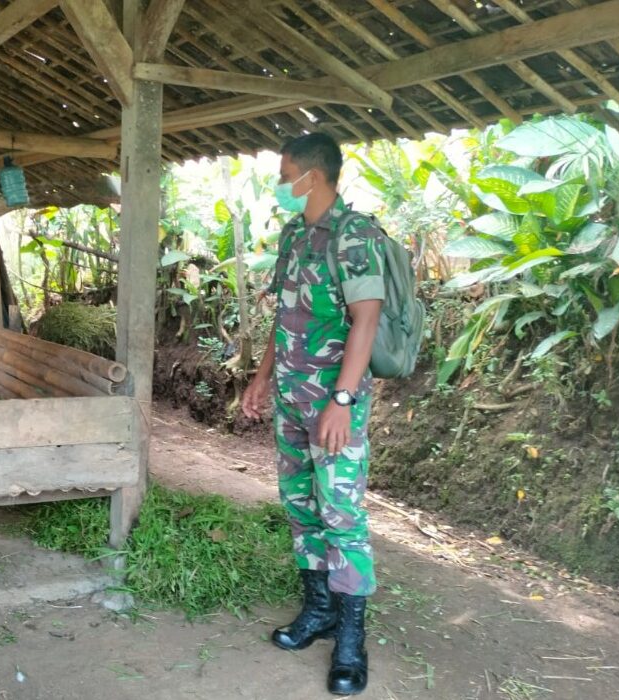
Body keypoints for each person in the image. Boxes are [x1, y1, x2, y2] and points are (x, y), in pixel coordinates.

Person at [242, 132, 386, 696]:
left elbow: (366, 320)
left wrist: (343, 401)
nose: (280, 186)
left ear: (313, 176)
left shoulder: (355, 235)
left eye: (285, 175)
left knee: (342, 515)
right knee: (302, 507)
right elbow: (286, 315)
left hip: (333, 405)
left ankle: (352, 639)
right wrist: (259, 378)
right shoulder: (293, 235)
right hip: (290, 398)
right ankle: (318, 610)